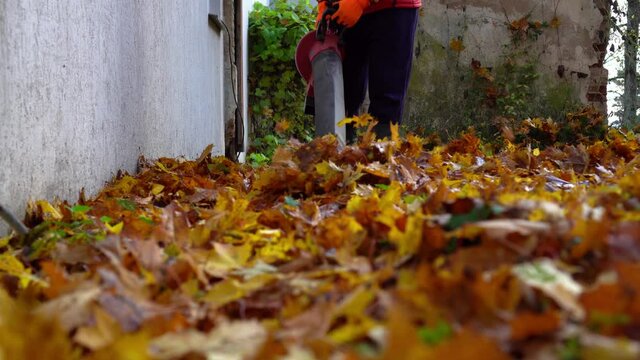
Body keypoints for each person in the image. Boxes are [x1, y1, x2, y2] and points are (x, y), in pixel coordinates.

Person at [317, 0, 421, 139]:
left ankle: (381, 152)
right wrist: (325, 4)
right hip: (344, 9)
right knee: (343, 95)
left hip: (394, 8)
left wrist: (359, 2)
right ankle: (340, 151)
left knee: (386, 100)